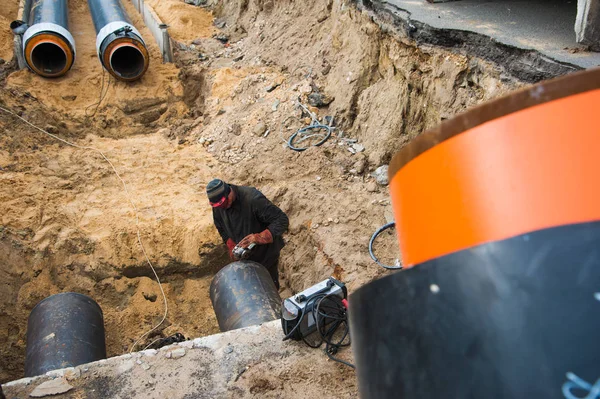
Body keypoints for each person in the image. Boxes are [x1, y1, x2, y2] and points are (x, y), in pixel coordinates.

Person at [207, 179, 289, 289]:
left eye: (224, 203)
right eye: (218, 206)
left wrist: (259, 237)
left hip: (265, 255)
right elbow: (220, 226)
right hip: (244, 259)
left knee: (269, 288)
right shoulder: (219, 206)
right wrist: (231, 245)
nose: (223, 208)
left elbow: (281, 220)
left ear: (229, 192)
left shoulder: (252, 199)